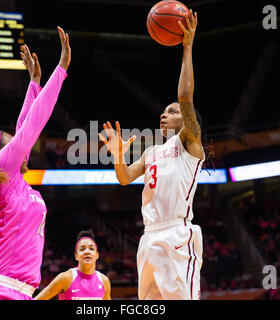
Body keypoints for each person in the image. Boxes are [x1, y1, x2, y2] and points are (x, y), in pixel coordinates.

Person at [0, 26, 71, 300]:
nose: (18, 142)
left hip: (17, 291)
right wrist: (61, 69)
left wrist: (34, 82)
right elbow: (30, 127)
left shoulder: (12, 181)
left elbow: (23, 130)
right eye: (11, 142)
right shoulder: (0, 172)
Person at [99, 10, 205, 300]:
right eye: (164, 110)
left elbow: (185, 97)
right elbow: (123, 179)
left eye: (171, 111)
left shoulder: (191, 144)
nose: (164, 113)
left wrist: (187, 46)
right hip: (149, 237)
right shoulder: (152, 151)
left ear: (187, 119)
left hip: (177, 235)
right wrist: (119, 155)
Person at [34, 230, 111, 300]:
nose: (87, 252)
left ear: (97, 255)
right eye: (82, 249)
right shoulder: (66, 278)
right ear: (76, 256)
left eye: (91, 249)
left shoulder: (104, 281)